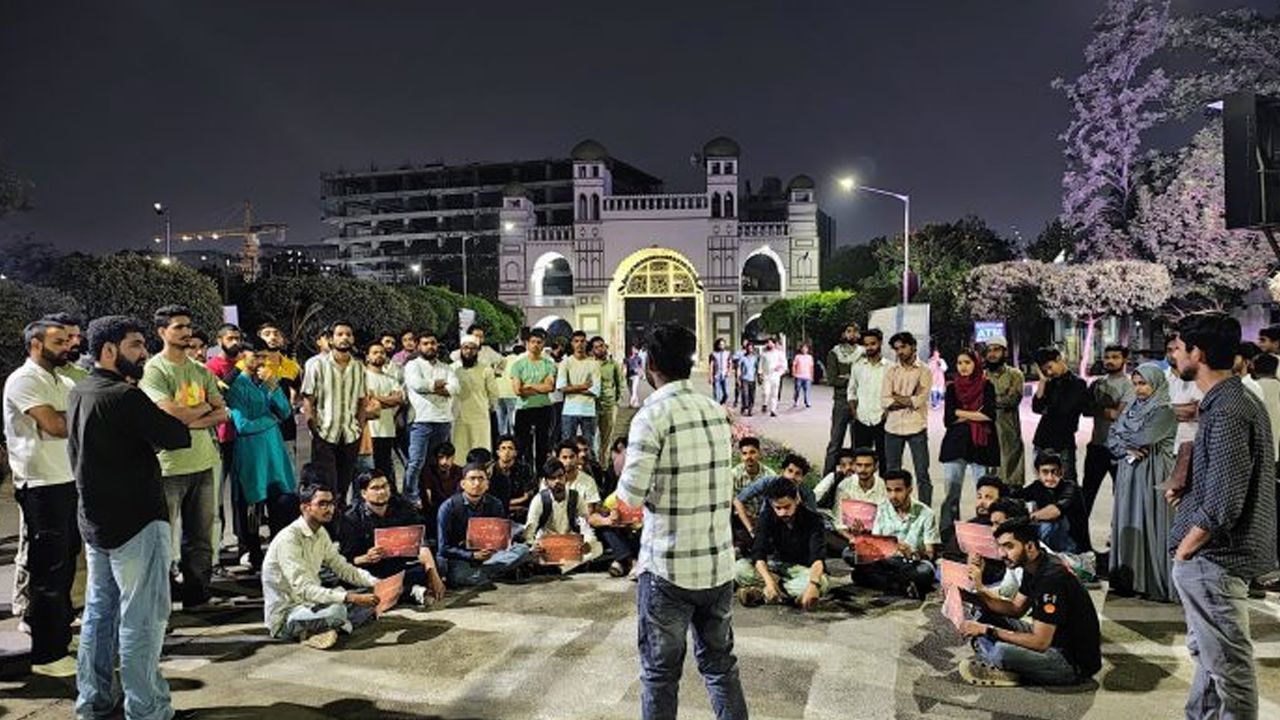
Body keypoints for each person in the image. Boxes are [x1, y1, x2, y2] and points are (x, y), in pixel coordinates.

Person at [615, 323, 747, 720]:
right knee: (721, 666)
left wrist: (622, 467)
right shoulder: (714, 410)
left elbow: (628, 501)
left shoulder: (651, 415)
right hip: (717, 566)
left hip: (668, 570)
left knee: (659, 675)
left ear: (649, 363)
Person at [69, 315, 193, 719]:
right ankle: (148, 709)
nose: (143, 354)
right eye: (136, 345)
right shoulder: (124, 396)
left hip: (96, 520)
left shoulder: (80, 391)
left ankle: (94, 700)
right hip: (137, 521)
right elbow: (177, 434)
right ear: (109, 351)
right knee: (142, 620)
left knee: (99, 615)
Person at [1167, 313, 1276, 718]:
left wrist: (1186, 550)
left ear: (1198, 353)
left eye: (1178, 348)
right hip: (1213, 556)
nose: (1174, 356)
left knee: (1229, 667)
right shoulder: (1231, 400)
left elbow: (1225, 502)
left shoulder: (1228, 408)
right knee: (1212, 662)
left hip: (1215, 558)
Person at [140, 304, 229, 608]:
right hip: (168, 466)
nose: (186, 331)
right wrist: (202, 409)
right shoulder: (154, 370)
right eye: (178, 326)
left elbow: (223, 413)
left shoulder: (200, 370)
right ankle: (162, 595)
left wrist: (190, 417)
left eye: (188, 326)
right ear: (162, 332)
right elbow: (168, 413)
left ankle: (198, 592)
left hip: (203, 462)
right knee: (163, 538)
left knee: (201, 535)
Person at [3, 319, 79, 676]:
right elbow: (57, 425)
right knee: (48, 569)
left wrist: (71, 416)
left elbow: (69, 420)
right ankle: (47, 656)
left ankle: (59, 634)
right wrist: (72, 417)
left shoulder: (62, 381)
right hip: (41, 485)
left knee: (65, 565)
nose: (68, 346)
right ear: (36, 344)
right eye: (60, 341)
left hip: (67, 480)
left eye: (69, 340)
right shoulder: (24, 380)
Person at [958, 518, 1102, 687]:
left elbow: (1040, 642)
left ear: (1030, 547)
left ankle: (1006, 667)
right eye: (1000, 547)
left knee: (1000, 651)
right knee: (981, 613)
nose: (1002, 553)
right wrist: (974, 596)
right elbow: (1016, 608)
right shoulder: (1034, 565)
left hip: (1071, 662)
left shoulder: (1051, 578)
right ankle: (1008, 664)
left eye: (1009, 546)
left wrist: (987, 631)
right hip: (1052, 638)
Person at [261, 483, 381, 650]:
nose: (329, 509)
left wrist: (376, 583)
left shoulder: (320, 532)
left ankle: (323, 630)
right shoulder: (288, 539)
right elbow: (304, 589)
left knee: (371, 598)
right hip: (288, 614)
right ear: (305, 507)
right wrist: (349, 597)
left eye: (331, 503)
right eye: (322, 504)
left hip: (313, 604)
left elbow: (342, 567)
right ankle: (334, 627)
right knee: (338, 610)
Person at [222, 340, 299, 570]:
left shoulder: (267, 383)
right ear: (243, 359)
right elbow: (242, 425)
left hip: (274, 451)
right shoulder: (236, 386)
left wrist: (274, 387)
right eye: (255, 357)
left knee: (281, 504)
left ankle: (281, 553)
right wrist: (270, 420)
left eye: (263, 357)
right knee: (252, 505)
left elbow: (285, 412)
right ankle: (254, 555)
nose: (260, 362)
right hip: (251, 453)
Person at [1107, 362, 1177, 602]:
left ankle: (1153, 583)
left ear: (1156, 383)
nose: (1139, 389)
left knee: (1152, 523)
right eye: (1135, 384)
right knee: (1129, 518)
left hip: (1154, 474)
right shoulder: (1133, 409)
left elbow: (1144, 437)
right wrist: (1125, 443)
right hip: (1130, 474)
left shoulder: (1165, 410)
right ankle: (1129, 580)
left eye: (1144, 383)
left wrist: (1122, 437)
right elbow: (1111, 439)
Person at [339, 470, 446, 607]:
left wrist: (433, 575)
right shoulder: (351, 518)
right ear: (364, 493)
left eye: (384, 486)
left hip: (399, 567)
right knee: (351, 581)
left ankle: (398, 592)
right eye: (375, 488)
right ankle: (409, 591)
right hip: (371, 571)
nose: (381, 491)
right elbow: (345, 560)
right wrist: (366, 557)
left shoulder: (404, 508)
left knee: (439, 565)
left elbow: (421, 544)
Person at [301, 320, 370, 509]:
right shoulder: (316, 365)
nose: (344, 338)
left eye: (348, 334)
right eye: (340, 334)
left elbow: (362, 400)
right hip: (325, 434)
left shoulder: (358, 367)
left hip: (350, 434)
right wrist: (313, 428)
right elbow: (308, 399)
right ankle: (327, 530)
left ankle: (340, 529)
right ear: (331, 339)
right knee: (326, 485)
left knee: (344, 484)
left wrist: (360, 425)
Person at [735, 478, 828, 610]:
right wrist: (769, 581)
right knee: (739, 569)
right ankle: (783, 595)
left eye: (787, 507)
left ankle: (764, 594)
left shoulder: (813, 520)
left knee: (822, 583)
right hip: (777, 567)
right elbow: (758, 552)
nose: (783, 512)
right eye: (778, 508)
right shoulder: (767, 517)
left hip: (802, 569)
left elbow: (818, 558)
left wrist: (813, 585)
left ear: (796, 500)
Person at [436, 462, 533, 587]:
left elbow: (501, 539)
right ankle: (495, 573)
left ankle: (483, 574)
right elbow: (443, 548)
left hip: (490, 556)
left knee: (523, 550)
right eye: (472, 479)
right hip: (462, 558)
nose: (477, 483)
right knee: (457, 576)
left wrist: (492, 549)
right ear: (463, 484)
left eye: (481, 479)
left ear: (487, 484)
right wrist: (472, 555)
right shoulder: (449, 507)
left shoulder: (495, 504)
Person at [852, 469, 939, 598]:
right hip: (887, 560)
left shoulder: (926, 514)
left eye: (898, 490)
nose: (893, 496)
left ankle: (892, 583)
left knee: (925, 571)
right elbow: (876, 542)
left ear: (909, 489)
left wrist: (913, 554)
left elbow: (930, 554)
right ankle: (902, 586)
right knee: (854, 562)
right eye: (889, 490)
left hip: (912, 563)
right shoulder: (882, 509)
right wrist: (862, 536)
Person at [939, 348, 999, 534]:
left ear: (976, 364)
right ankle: (948, 534)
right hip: (955, 445)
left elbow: (989, 415)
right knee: (951, 494)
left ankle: (986, 533)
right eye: (959, 363)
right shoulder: (952, 388)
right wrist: (974, 414)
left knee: (986, 495)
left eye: (967, 362)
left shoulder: (986, 385)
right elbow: (948, 419)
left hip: (982, 446)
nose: (963, 367)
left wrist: (959, 412)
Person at [402, 331, 459, 506]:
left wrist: (432, 387)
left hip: (442, 421)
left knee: (436, 463)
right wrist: (439, 386)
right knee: (416, 461)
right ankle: (409, 496)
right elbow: (417, 385)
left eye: (432, 343)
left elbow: (455, 388)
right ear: (419, 346)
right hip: (421, 421)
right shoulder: (413, 366)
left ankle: (433, 495)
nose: (430, 346)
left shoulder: (446, 367)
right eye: (425, 343)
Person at [1082, 345, 1135, 518]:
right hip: (1096, 445)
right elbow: (1086, 410)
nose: (1110, 361)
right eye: (1107, 357)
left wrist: (1097, 408)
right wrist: (1104, 409)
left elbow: (1118, 416)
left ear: (1124, 360)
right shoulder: (1098, 383)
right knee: (1086, 495)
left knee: (1121, 496)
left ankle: (1117, 538)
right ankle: (1080, 539)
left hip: (1118, 449)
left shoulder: (1129, 385)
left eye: (1115, 357)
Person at [881, 331, 932, 504]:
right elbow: (885, 400)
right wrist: (908, 400)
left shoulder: (924, 370)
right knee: (892, 474)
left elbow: (919, 400)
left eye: (903, 347)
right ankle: (894, 510)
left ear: (913, 347)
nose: (899, 352)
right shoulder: (891, 371)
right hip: (892, 428)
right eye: (896, 349)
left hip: (916, 427)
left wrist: (897, 397)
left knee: (922, 474)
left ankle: (926, 512)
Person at [526, 458, 602, 570]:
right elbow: (529, 530)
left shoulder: (575, 497)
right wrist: (534, 546)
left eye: (560, 476)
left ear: (565, 477)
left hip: (569, 543)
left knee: (597, 547)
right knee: (530, 553)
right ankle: (567, 565)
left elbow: (585, 523)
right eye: (552, 478)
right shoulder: (539, 500)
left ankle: (560, 567)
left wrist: (587, 541)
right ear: (546, 481)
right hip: (548, 544)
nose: (557, 481)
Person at [1030, 347, 1089, 485]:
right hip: (1042, 440)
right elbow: (1036, 407)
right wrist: (1043, 381)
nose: (1049, 372)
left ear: (1059, 359)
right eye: (1045, 370)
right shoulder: (1049, 382)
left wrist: (1047, 407)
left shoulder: (1078, 384)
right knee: (1041, 486)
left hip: (1064, 442)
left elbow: (1063, 410)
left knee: (1067, 485)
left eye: (1050, 367)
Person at [814, 447, 885, 552]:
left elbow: (886, 520)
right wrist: (852, 538)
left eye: (867, 466)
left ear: (876, 467)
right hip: (848, 536)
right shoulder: (844, 486)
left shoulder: (883, 486)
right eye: (859, 465)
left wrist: (869, 533)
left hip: (873, 535)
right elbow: (839, 523)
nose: (863, 470)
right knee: (823, 534)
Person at [1014, 453, 1086, 554]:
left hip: (1073, 546)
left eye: (1054, 471)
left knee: (1049, 525)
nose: (1050, 477)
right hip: (1053, 541)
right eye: (1045, 472)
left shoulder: (1071, 488)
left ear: (1061, 471)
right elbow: (1013, 497)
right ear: (1037, 473)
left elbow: (1055, 511)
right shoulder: (1037, 487)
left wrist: (1028, 517)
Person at [734, 453, 816, 539]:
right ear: (782, 471)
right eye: (790, 471)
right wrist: (751, 529)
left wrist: (799, 505)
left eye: (798, 474)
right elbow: (738, 500)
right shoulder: (768, 482)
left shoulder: (807, 493)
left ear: (803, 478)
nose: (792, 477)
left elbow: (812, 523)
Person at [509, 328, 558, 468]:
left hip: (544, 407)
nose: (536, 345)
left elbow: (549, 387)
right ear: (527, 343)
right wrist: (539, 387)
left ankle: (542, 475)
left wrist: (529, 386)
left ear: (543, 344)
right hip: (524, 408)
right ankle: (524, 473)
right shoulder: (518, 365)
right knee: (522, 445)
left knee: (543, 444)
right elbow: (518, 390)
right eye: (533, 342)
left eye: (539, 342)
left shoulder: (549, 364)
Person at [984, 337, 1026, 488]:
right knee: (988, 485)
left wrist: (989, 400)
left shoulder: (1015, 375)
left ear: (1005, 352)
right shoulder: (982, 376)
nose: (992, 354)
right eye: (989, 350)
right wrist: (1002, 397)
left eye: (996, 350)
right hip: (986, 434)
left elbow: (1012, 400)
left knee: (1012, 485)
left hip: (1009, 435)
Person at [823, 322, 864, 475]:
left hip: (861, 403)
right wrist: (853, 379)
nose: (852, 334)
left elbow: (866, 378)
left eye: (855, 331)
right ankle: (826, 480)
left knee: (859, 445)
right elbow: (832, 379)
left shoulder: (863, 352)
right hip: (841, 402)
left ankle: (858, 480)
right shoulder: (834, 353)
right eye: (848, 331)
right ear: (843, 334)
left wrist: (846, 377)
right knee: (835, 443)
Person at [452, 334, 500, 458]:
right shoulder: (452, 369)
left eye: (473, 348)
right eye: (465, 348)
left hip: (480, 418)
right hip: (458, 417)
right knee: (459, 451)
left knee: (480, 450)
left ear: (478, 350)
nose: (469, 351)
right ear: (461, 349)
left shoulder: (486, 370)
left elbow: (493, 394)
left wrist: (489, 408)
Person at [363, 340, 404, 484]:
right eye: (375, 352)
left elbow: (398, 400)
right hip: (368, 432)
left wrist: (375, 398)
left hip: (387, 431)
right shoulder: (363, 377)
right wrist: (388, 399)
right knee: (367, 474)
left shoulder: (391, 379)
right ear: (367, 356)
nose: (379, 355)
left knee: (385, 470)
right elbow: (364, 402)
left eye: (382, 352)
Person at [847, 328, 888, 469]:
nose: (869, 347)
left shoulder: (890, 368)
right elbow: (851, 391)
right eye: (866, 345)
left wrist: (887, 413)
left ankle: (884, 490)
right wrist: (854, 412)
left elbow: (894, 393)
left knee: (884, 461)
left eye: (873, 343)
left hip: (882, 421)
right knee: (861, 462)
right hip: (861, 420)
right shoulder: (857, 367)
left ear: (880, 343)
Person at [557, 330, 602, 451]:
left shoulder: (594, 364)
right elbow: (561, 388)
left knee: (589, 446)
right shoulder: (565, 363)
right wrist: (583, 386)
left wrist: (572, 387)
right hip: (569, 410)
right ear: (572, 343)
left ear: (586, 343)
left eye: (582, 341)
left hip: (588, 410)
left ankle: (590, 469)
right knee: (567, 446)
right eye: (576, 341)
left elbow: (596, 390)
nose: (579, 344)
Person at [1165, 333, 1204, 452]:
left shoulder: (1196, 378)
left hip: (1191, 447)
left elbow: (1196, 411)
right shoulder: (1160, 378)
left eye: (1177, 349)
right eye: (1169, 350)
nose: (1173, 355)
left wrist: (1164, 411)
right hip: (1165, 448)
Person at [600, 487, 644, 578]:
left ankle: (621, 562)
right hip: (625, 533)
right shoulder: (613, 498)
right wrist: (609, 519)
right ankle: (632, 562)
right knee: (606, 528)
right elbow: (595, 518)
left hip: (643, 534)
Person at [592, 336, 626, 448]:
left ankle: (604, 463)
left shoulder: (613, 364)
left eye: (601, 346)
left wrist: (616, 401)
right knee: (592, 436)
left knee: (606, 437)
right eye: (596, 347)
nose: (599, 349)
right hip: (592, 405)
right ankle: (594, 462)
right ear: (592, 350)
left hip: (609, 405)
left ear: (606, 347)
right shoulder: (589, 364)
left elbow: (620, 383)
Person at [489, 435, 534, 517]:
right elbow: (490, 501)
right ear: (497, 452)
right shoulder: (490, 471)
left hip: (521, 513)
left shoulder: (524, 469)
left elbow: (528, 496)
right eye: (503, 448)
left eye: (510, 448)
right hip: (496, 512)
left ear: (515, 452)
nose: (506, 452)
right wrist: (519, 501)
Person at [421, 441, 463, 522]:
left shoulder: (460, 472)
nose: (444, 462)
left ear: (453, 457)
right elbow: (428, 499)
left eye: (448, 458)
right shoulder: (428, 472)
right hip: (434, 513)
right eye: (441, 457)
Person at [760, 337, 786, 417]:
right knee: (766, 392)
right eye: (768, 343)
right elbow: (760, 365)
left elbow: (784, 364)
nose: (769, 344)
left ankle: (773, 410)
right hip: (766, 375)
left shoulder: (779, 353)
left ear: (774, 344)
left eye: (771, 343)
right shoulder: (764, 354)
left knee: (774, 394)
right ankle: (764, 403)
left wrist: (780, 372)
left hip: (775, 375)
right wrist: (760, 373)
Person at [736, 340, 759, 416]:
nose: (750, 349)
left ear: (753, 349)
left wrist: (759, 376)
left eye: (751, 348)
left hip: (752, 379)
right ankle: (744, 406)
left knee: (751, 395)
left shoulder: (755, 358)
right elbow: (739, 368)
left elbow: (758, 368)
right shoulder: (743, 358)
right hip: (744, 378)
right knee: (745, 394)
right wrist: (738, 378)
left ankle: (750, 409)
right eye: (748, 348)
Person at [791, 343, 815, 409]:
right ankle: (795, 400)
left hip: (807, 376)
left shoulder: (810, 357)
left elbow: (811, 367)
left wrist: (812, 375)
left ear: (807, 349)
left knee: (807, 390)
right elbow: (794, 365)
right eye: (803, 348)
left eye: (806, 348)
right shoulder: (797, 356)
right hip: (798, 376)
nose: (804, 349)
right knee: (797, 389)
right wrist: (794, 373)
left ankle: (807, 402)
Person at [709, 337, 732, 405]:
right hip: (716, 376)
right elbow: (711, 366)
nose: (722, 346)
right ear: (717, 345)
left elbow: (730, 364)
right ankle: (717, 406)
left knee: (726, 393)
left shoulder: (727, 353)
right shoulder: (713, 354)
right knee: (716, 394)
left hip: (724, 375)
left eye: (723, 344)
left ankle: (722, 402)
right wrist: (710, 376)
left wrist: (729, 372)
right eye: (720, 344)